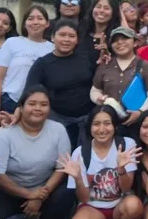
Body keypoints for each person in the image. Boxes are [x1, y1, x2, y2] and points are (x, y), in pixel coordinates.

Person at [0, 86, 73, 219]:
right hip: (7, 190)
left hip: (43, 188)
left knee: (68, 191)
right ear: (21, 107)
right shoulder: (4, 134)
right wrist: (28, 194)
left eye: (43, 104)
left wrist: (41, 194)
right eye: (32, 103)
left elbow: (62, 167)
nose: (38, 108)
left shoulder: (58, 130)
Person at [60, 105, 144, 219]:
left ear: (115, 126)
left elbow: (126, 188)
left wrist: (121, 168)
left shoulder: (126, 145)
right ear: (90, 127)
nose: (102, 129)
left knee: (134, 205)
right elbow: (84, 199)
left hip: (120, 205)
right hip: (93, 208)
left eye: (107, 123)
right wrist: (78, 178)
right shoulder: (80, 153)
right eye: (96, 124)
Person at [24, 19, 95, 149]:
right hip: (58, 120)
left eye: (71, 36)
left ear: (77, 40)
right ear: (52, 37)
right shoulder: (42, 63)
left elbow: (98, 82)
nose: (66, 39)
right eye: (62, 35)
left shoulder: (87, 58)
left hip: (88, 119)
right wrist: (19, 109)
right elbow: (29, 91)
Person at [0, 5, 53, 129]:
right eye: (30, 18)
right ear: (24, 23)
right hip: (10, 102)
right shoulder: (12, 43)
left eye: (40, 18)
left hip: (38, 106)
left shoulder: (53, 48)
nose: (35, 22)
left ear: (47, 24)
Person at [90, 26, 148, 129]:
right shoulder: (104, 65)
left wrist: (140, 112)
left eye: (125, 38)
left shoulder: (146, 66)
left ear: (135, 42)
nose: (120, 42)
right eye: (115, 40)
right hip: (109, 123)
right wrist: (98, 99)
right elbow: (95, 90)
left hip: (137, 123)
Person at [82, 0, 123, 66]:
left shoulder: (116, 38)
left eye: (106, 8)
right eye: (98, 7)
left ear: (113, 13)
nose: (101, 11)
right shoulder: (82, 32)